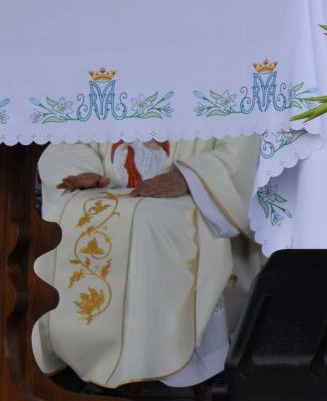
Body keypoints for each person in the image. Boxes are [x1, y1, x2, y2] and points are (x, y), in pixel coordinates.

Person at [32, 135, 259, 390]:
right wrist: (80, 170)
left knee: (145, 221)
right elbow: (73, 134)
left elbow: (245, 143)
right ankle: (77, 355)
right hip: (105, 187)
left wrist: (191, 178)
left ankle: (156, 361)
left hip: (193, 195)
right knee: (68, 218)